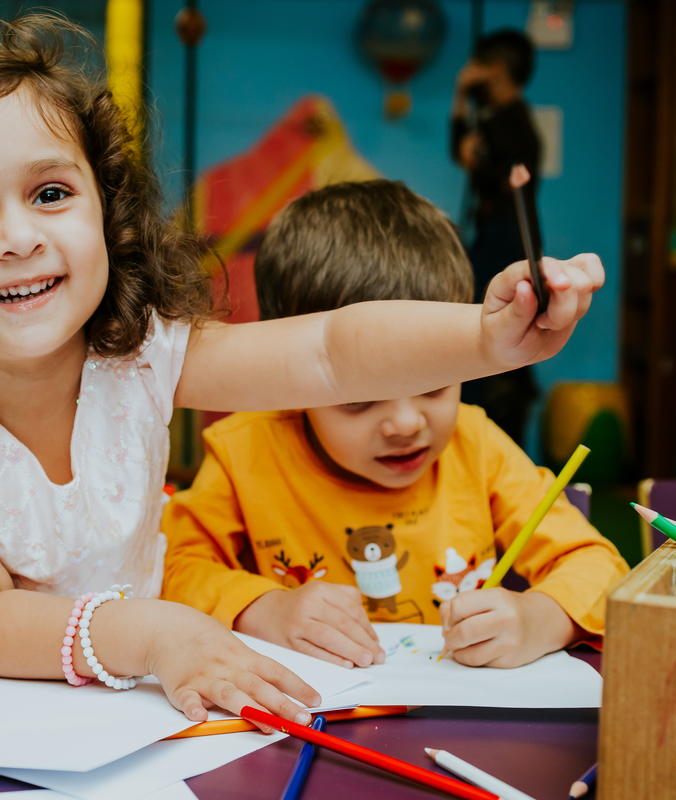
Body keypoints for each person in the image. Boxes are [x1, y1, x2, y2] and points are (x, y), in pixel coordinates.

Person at [0, 18, 602, 725]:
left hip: (125, 690)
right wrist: (154, 633)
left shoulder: (145, 355)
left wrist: (488, 339)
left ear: (107, 211)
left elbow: (329, 351)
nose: (19, 237)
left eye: (51, 193)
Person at [161, 181, 627, 669]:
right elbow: (172, 569)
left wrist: (540, 618)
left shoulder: (476, 445)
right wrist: (263, 609)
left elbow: (600, 566)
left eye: (435, 385)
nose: (405, 423)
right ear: (291, 380)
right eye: (359, 400)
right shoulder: (245, 451)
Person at [450, 29, 542, 446]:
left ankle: (480, 430)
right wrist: (459, 95)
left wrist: (476, 163)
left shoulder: (514, 121)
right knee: (483, 324)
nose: (474, 74)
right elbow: (460, 151)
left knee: (487, 326)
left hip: (508, 235)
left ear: (498, 69)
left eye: (480, 67)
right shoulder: (496, 118)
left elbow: (513, 178)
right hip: (496, 231)